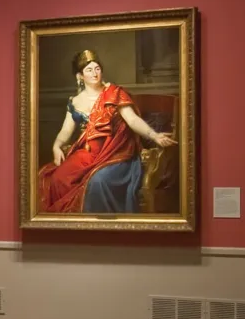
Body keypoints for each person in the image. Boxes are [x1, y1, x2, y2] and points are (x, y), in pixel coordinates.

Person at [37, 49, 175, 213]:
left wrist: (154, 135)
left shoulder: (114, 93)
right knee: (58, 178)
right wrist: (56, 146)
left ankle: (103, 231)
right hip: (88, 154)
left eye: (97, 68)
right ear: (80, 76)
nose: (95, 73)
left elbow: (132, 120)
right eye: (89, 70)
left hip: (116, 153)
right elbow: (66, 130)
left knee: (98, 182)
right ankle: (72, 228)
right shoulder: (74, 101)